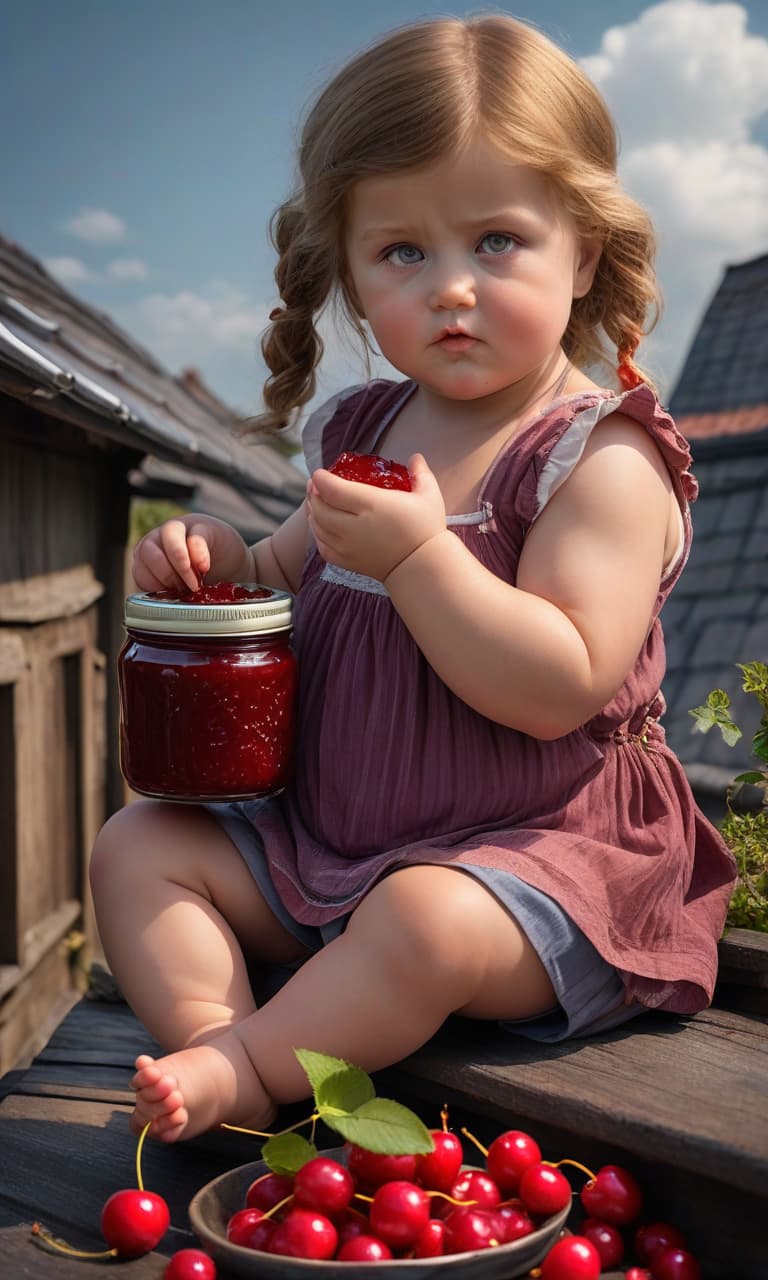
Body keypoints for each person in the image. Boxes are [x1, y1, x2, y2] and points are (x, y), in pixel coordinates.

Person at [89, 13, 736, 1143]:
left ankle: (253, 1065)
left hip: (541, 862)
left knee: (423, 920)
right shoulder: (363, 428)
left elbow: (560, 681)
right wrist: (213, 561)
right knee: (137, 842)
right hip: (331, 844)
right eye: (402, 252)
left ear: (581, 250)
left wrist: (426, 557)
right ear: (346, 269)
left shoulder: (601, 454)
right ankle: (211, 1028)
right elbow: (283, 574)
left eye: (496, 241)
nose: (451, 289)